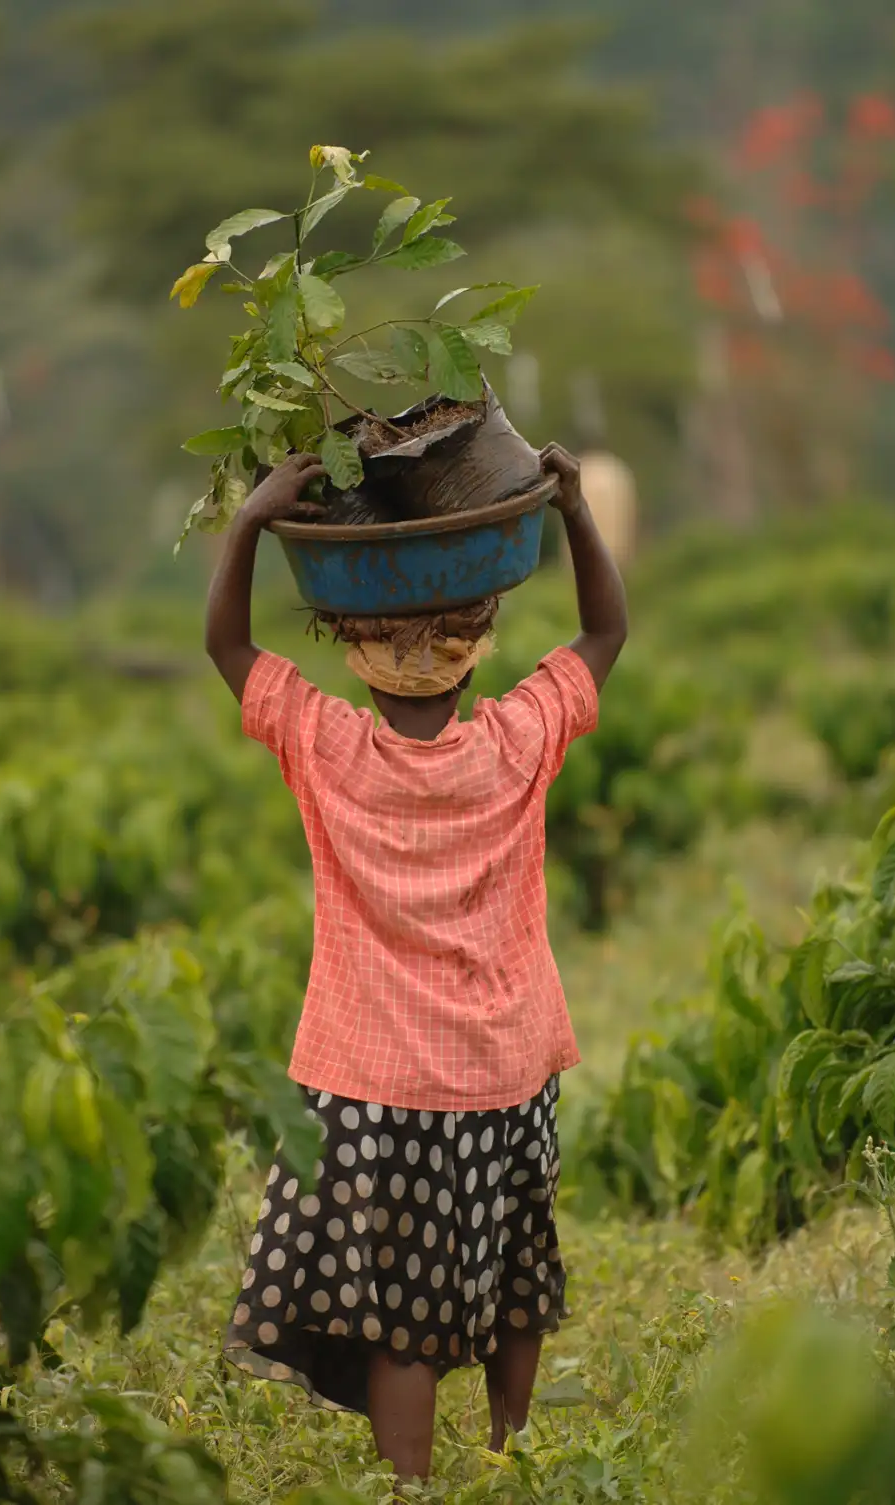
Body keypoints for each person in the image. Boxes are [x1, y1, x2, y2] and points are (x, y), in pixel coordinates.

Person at [206, 444, 627, 1489]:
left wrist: (253, 517)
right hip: (507, 1064)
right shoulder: (520, 737)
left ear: (351, 645)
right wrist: (570, 506)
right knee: (513, 1264)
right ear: (477, 642)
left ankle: (409, 1484)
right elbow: (605, 629)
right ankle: (510, 1456)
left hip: (373, 1079)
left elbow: (225, 642)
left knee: (398, 1305)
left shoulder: (326, 746)